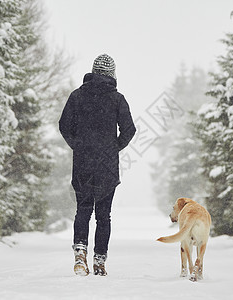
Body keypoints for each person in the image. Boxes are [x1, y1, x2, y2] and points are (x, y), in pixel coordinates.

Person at [59, 54, 136, 276]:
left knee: (82, 210)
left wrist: (79, 146)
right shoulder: (117, 99)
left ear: (92, 72)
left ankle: (80, 254)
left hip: (82, 163)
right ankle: (99, 261)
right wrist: (113, 148)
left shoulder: (77, 96)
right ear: (112, 74)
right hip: (107, 167)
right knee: (104, 215)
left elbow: (64, 125)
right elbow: (129, 129)